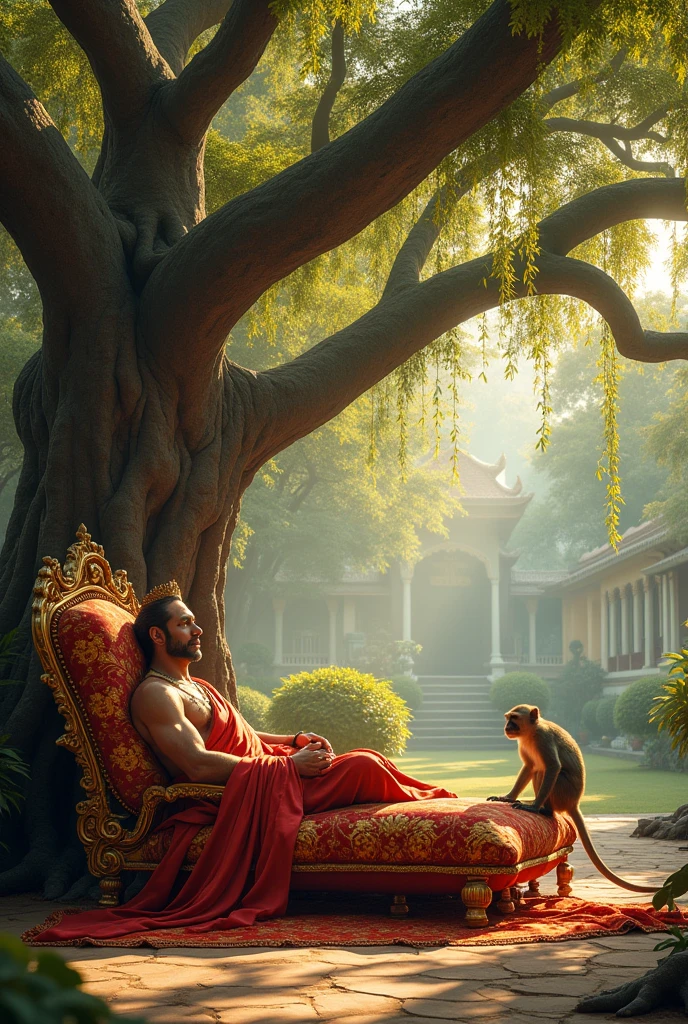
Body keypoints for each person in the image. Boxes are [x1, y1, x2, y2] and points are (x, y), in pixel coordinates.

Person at [30, 582, 455, 945]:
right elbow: (195, 765)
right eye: (185, 624)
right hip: (233, 794)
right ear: (158, 636)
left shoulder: (195, 685)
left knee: (368, 760)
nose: (198, 630)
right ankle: (445, 835)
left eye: (195, 621)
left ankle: (439, 814)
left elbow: (248, 735)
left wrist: (292, 741)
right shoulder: (157, 695)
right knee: (362, 765)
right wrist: (290, 768)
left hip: (266, 775)